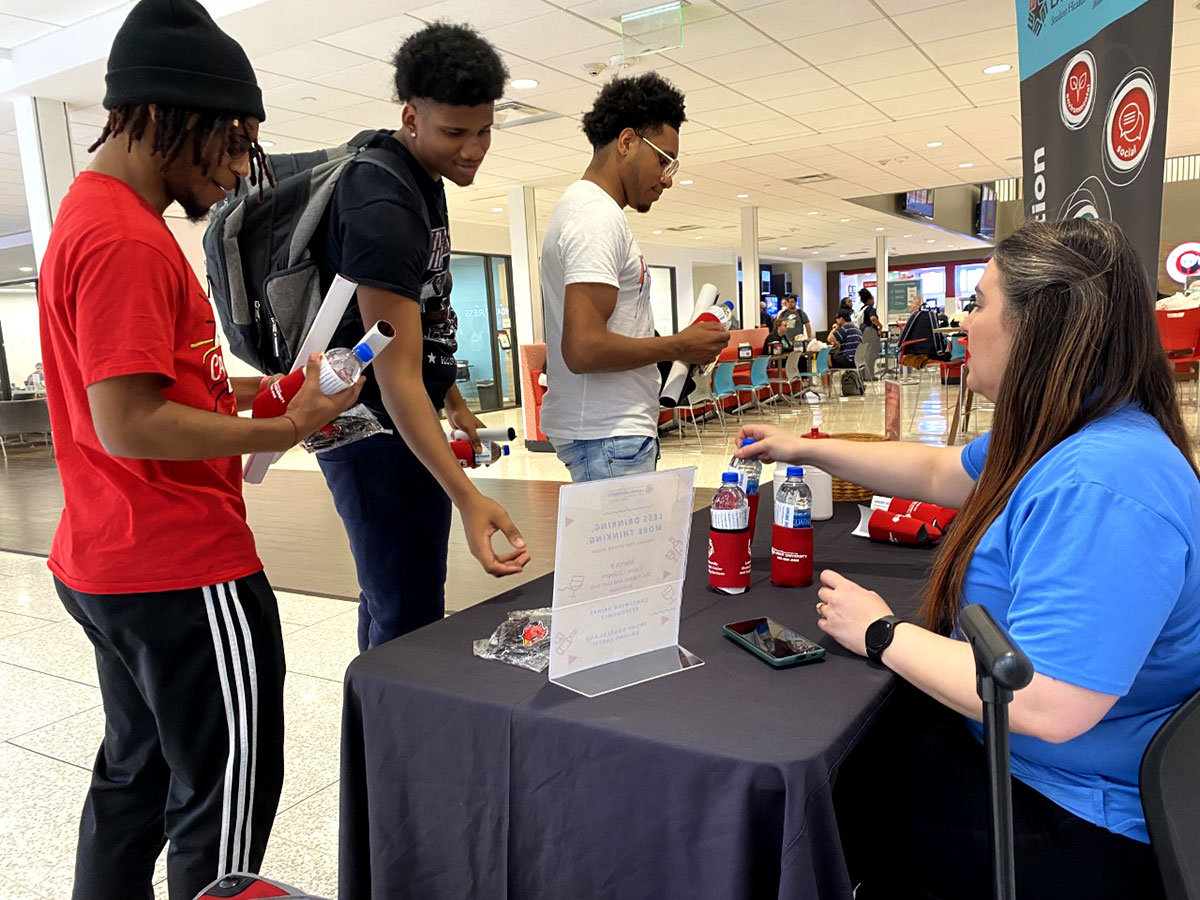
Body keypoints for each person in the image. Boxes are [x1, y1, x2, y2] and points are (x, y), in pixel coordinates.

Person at [736, 218, 1200, 900]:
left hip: (1067, 816)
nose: (962, 318)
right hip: (1029, 767)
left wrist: (881, 632)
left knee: (827, 801)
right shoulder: (1066, 430)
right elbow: (934, 470)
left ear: (1035, 328)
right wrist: (803, 447)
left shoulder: (1104, 482)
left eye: (979, 302)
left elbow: (1047, 702)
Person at [37, 1, 361, 897]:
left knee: (134, 779)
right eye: (230, 144)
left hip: (110, 561)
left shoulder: (91, 215)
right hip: (183, 569)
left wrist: (285, 393)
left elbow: (167, 390)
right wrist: (286, 429)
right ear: (167, 114)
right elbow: (130, 423)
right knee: (224, 805)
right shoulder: (125, 238)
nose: (234, 173)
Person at [310, 23, 530, 652]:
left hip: (398, 422)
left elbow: (427, 317)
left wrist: (455, 401)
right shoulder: (382, 200)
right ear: (411, 116)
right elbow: (393, 370)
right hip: (371, 430)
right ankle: (390, 746)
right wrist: (467, 497)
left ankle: (377, 743)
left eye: (484, 130)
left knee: (392, 601)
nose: (474, 149)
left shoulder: (420, 178)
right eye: (455, 133)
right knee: (407, 617)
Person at [539, 73, 728, 482]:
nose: (668, 178)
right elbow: (584, 349)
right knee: (624, 552)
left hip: (612, 433)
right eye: (663, 160)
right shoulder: (595, 217)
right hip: (608, 436)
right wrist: (680, 344)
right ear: (626, 142)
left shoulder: (589, 212)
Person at [897, 290, 949, 368]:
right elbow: (937, 335)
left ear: (917, 305)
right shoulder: (932, 315)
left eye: (912, 303)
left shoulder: (914, 316)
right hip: (932, 352)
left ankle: (904, 373)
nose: (910, 306)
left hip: (915, 351)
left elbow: (904, 335)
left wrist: (899, 346)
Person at [857, 288, 882, 381]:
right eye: (873, 299)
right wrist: (880, 325)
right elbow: (873, 319)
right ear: (869, 300)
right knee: (870, 354)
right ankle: (869, 376)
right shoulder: (871, 309)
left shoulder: (862, 309)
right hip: (870, 331)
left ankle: (863, 375)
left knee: (864, 354)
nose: (874, 301)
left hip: (862, 332)